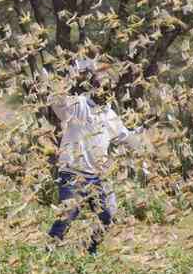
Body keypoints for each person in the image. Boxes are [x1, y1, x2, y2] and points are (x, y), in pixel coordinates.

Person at [45, 59, 143, 254]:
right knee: (68, 215)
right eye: (99, 86)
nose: (104, 91)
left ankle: (90, 250)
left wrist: (146, 128)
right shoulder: (79, 105)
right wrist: (63, 74)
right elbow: (58, 102)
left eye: (108, 87)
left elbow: (126, 137)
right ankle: (49, 254)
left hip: (98, 176)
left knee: (107, 215)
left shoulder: (110, 114)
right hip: (73, 173)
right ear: (92, 87)